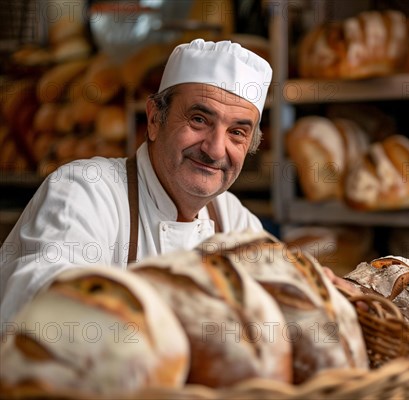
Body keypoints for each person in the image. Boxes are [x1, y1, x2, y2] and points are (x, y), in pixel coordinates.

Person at [0, 39, 273, 326]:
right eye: (199, 119)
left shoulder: (234, 219)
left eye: (237, 133)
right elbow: (49, 302)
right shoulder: (84, 191)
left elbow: (281, 303)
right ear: (155, 119)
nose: (216, 149)